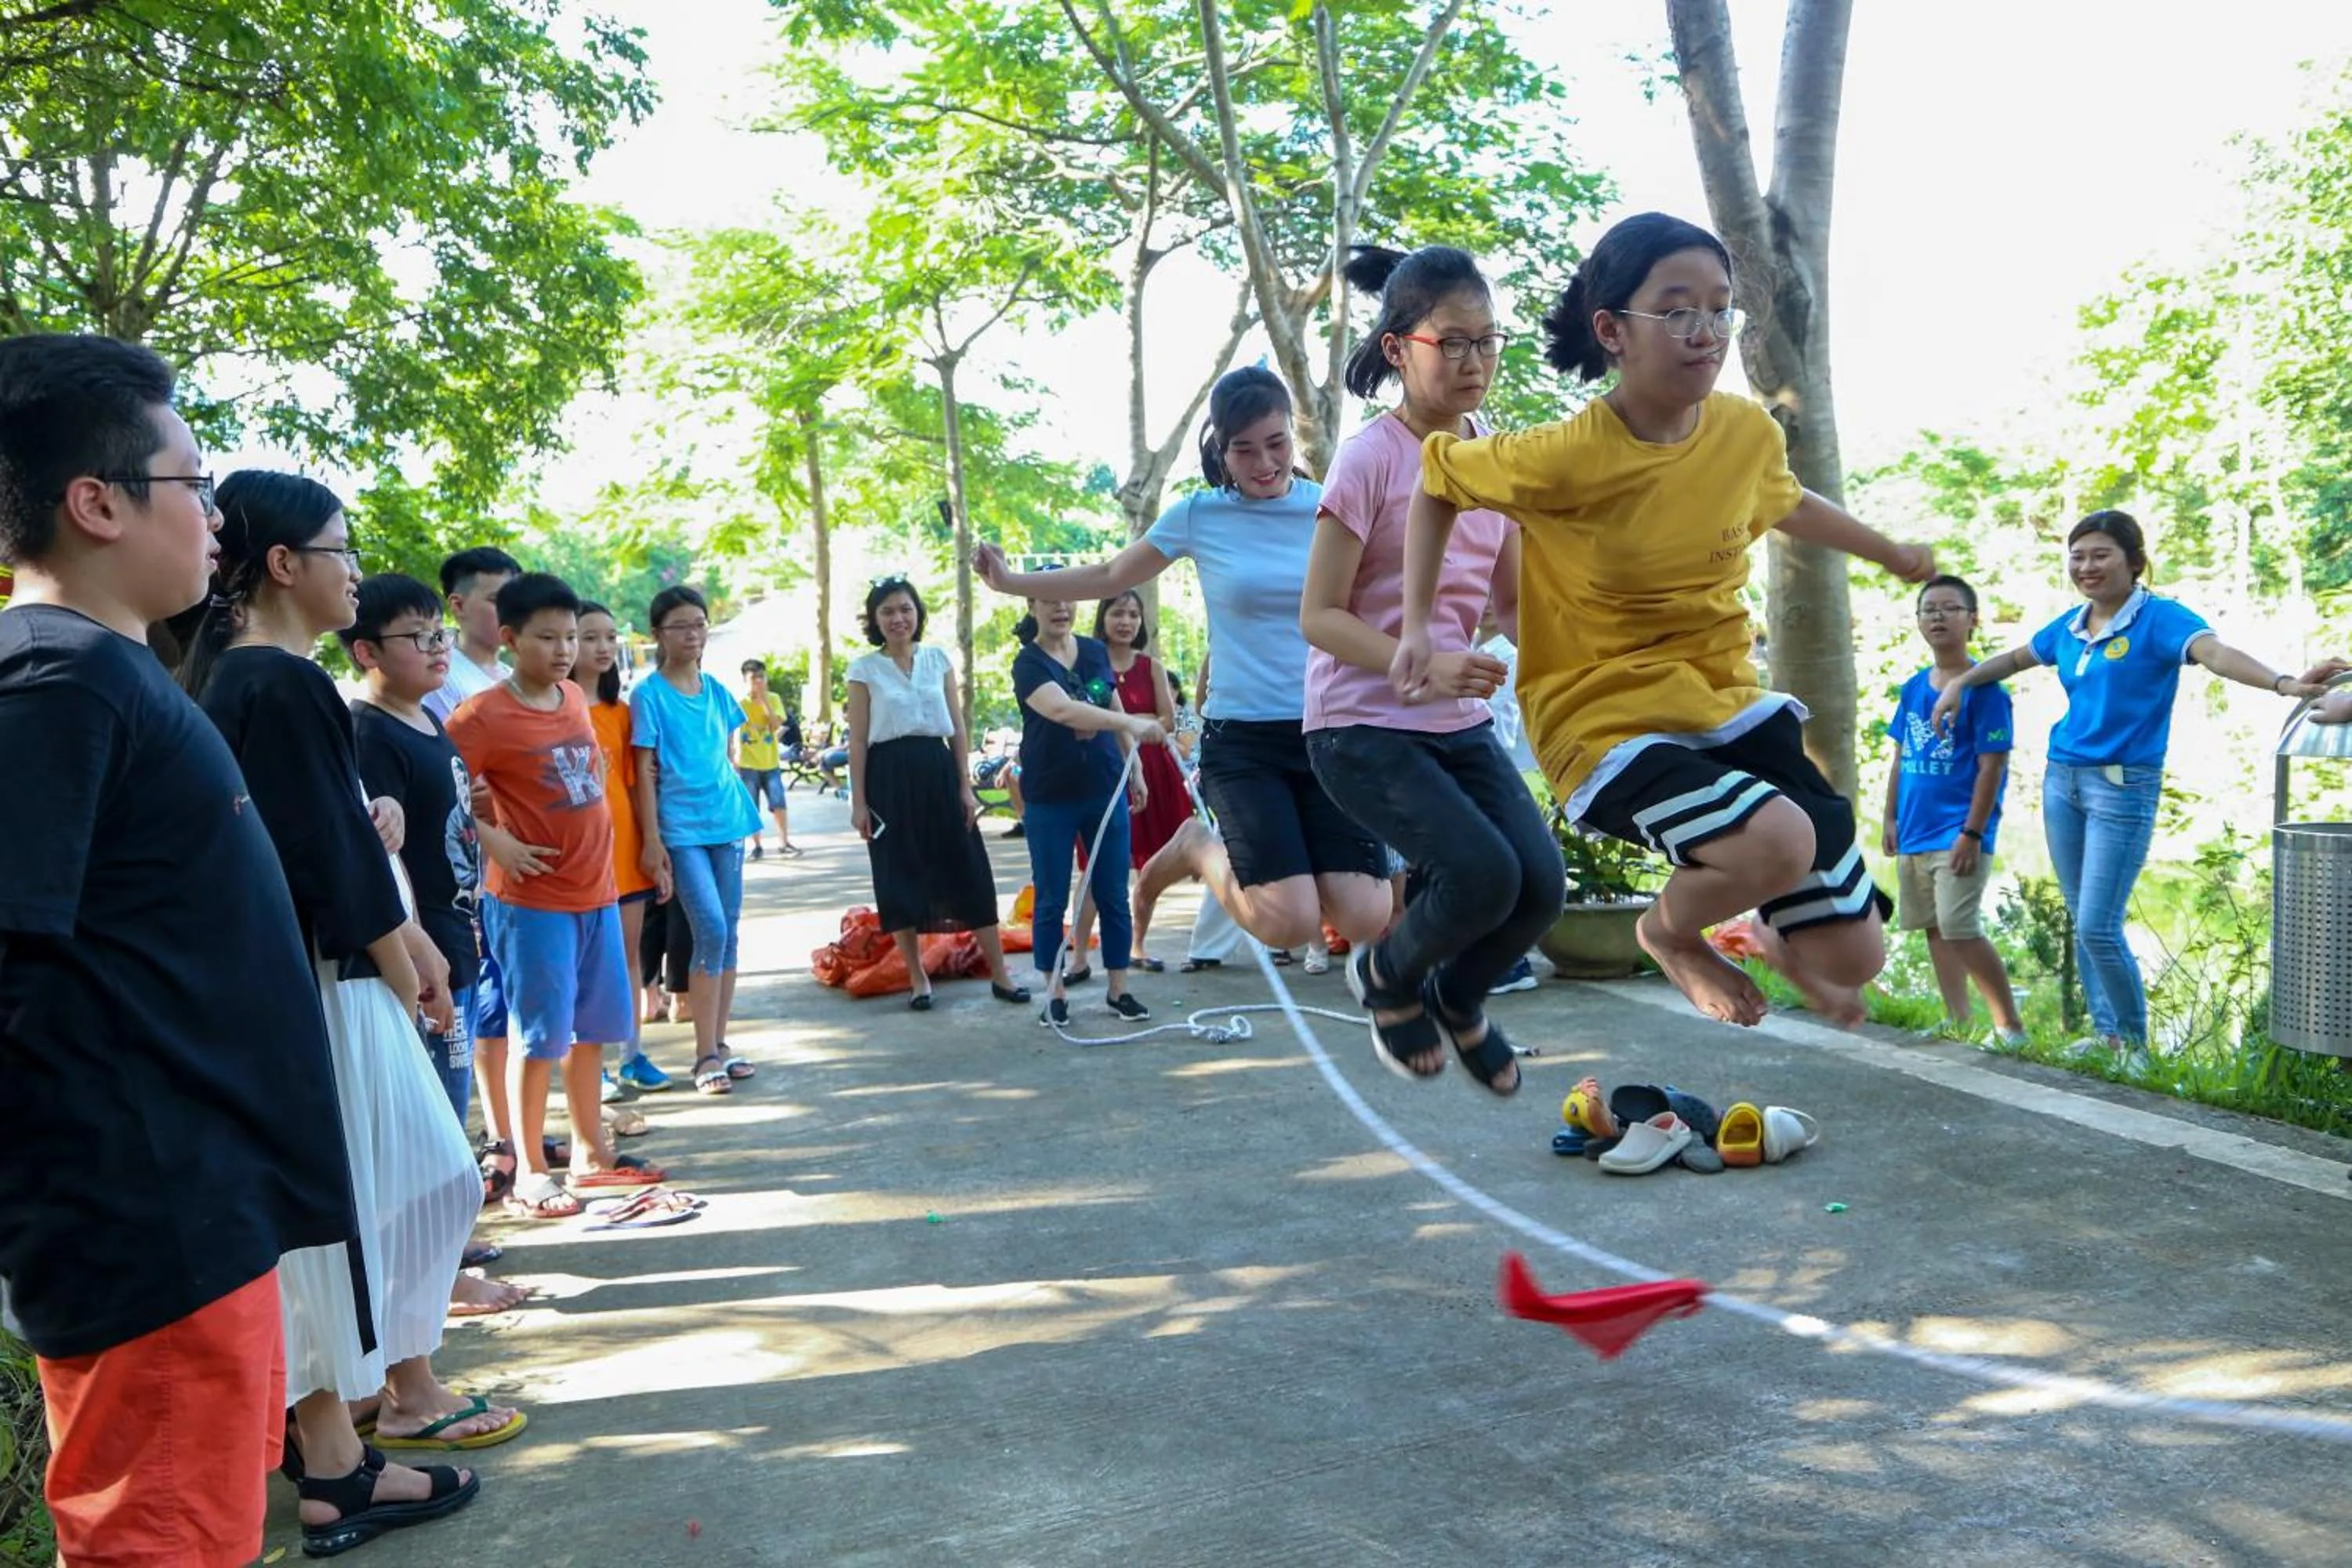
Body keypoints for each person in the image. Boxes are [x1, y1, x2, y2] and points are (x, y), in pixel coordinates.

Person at [0, 333, 379, 1566]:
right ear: (96, 502)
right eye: (193, 481)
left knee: (204, 1532)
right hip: (144, 1220)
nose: (214, 514)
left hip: (202, 1208)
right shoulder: (52, 681)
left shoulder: (115, 672)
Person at [1396, 211, 1938, 1029]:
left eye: (1721, 309)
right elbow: (1438, 483)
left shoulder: (1742, 431)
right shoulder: (1564, 454)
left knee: (1856, 955)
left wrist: (1888, 549)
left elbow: (1785, 502)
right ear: (1612, 330)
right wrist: (1416, 627)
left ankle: (1758, 916)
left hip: (1723, 701)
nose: (1705, 332)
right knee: (1779, 840)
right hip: (1605, 720)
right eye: (1679, 310)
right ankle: (1670, 933)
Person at [173, 468, 506, 1552]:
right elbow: (317, 854)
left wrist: (393, 925)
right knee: (382, 1197)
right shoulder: (279, 681)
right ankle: (344, 1443)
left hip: (302, 974)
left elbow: (320, 836)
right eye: (340, 550)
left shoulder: (240, 677)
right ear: (282, 566)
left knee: (360, 1210)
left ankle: (340, 1439)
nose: (355, 571)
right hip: (323, 982)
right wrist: (400, 952)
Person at [976, 367, 1390, 961]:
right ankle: (1198, 846)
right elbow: (1111, 576)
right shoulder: (1201, 515)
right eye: (1243, 450)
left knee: (1365, 914)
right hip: (1244, 739)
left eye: (1276, 444)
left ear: (1292, 437)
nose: (1264, 463)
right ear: (1220, 451)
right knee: (1289, 923)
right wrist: (1011, 581)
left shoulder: (1330, 507)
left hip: (1330, 730)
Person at [1931, 511, 2343, 1058]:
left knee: (2100, 925)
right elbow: (2014, 658)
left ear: (2133, 561)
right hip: (2063, 783)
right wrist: (1960, 680)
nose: (2086, 566)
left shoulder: (2161, 620)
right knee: (2084, 922)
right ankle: (2107, 1037)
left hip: (2122, 789)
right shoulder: (2072, 626)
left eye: (2100, 554)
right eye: (2077, 556)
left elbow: (2216, 655)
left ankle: (2134, 1046)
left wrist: (2285, 684)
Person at [1300, 243, 1561, 1094]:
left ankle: (1459, 992)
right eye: (1451, 341)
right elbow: (1321, 615)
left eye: (1487, 340)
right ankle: (1387, 976)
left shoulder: (1499, 461)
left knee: (1539, 887)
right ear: (1398, 349)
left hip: (1455, 724)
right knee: (1481, 873)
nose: (1474, 360)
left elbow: (1514, 608)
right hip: (1360, 727)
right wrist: (1428, 662)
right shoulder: (1370, 456)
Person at [340, 573, 529, 1315]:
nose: (435, 648)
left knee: (450, 1119)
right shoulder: (370, 730)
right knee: (430, 1130)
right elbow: (377, 856)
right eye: (417, 638)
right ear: (366, 651)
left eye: (438, 635)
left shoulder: (428, 721)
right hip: (422, 959)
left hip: (459, 935)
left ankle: (446, 1249)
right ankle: (436, 1278)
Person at [448, 573, 663, 1217]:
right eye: (548, 638)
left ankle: (592, 1153)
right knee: (538, 1037)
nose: (564, 649)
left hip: (597, 892)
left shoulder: (573, 697)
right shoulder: (480, 715)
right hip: (529, 903)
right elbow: (441, 793)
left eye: (571, 636)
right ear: (510, 639)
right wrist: (495, 841)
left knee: (593, 1029)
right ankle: (532, 1171)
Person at [844, 575, 1032, 1011]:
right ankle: (917, 978)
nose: (898, 618)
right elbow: (857, 740)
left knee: (969, 869)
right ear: (875, 619)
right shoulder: (863, 670)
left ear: (918, 613)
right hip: (887, 776)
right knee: (898, 877)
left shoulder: (937, 660)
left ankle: (1001, 975)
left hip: (938, 770)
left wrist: (965, 786)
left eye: (905, 609)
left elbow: (958, 727)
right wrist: (858, 803)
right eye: (888, 611)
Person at [1881, 574, 2028, 1047]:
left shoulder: (1987, 693)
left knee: (1960, 927)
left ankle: (2010, 1026)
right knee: (1934, 929)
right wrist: (1890, 818)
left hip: (1958, 832)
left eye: (1950, 609)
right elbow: (1901, 757)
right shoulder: (1913, 689)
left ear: (1973, 620)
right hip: (1915, 830)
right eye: (1929, 610)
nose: (1938, 617)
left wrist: (1972, 832)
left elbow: (1992, 768)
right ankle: (1958, 1019)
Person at [1011, 594, 1167, 1025]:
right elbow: (1063, 710)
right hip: (1049, 795)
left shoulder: (1094, 652)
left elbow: (1110, 706)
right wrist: (1133, 724)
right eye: (1048, 601)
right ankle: (1055, 992)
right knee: (1052, 896)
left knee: (1112, 891)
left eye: (1066, 600)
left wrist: (1133, 765)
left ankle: (1119, 990)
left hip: (1104, 786)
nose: (1060, 608)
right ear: (1032, 606)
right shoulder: (1028, 663)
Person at [632, 585, 762, 1094]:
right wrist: (652, 840)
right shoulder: (648, 694)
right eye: (681, 625)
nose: (693, 634)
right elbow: (643, 771)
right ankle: (704, 1055)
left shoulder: (717, 690)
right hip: (680, 830)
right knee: (708, 927)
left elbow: (728, 748)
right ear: (659, 634)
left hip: (728, 822)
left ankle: (720, 1045)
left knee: (727, 932)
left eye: (700, 624)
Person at [579, 600, 673, 1092]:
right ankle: (593, 1067)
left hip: (628, 851)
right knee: (591, 964)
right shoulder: (558, 706)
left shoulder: (622, 710)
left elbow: (639, 785)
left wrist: (653, 847)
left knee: (629, 956)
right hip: (581, 860)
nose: (602, 647)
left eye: (610, 638)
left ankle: (632, 1055)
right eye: (589, 636)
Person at [1070, 590, 1186, 972]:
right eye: (1118, 613)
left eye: (1134, 615)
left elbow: (1168, 720)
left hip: (1151, 767)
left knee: (1149, 865)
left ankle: (1137, 946)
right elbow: (1087, 709)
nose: (1126, 621)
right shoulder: (1088, 660)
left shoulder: (1150, 665)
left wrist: (1130, 723)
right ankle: (1080, 956)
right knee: (1096, 864)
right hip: (1103, 767)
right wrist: (1133, 721)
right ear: (1103, 617)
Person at [421, 545, 518, 723]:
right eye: (496, 600)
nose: (513, 611)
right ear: (458, 606)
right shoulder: (440, 677)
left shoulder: (516, 676)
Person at [735, 656, 800, 860]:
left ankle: (784, 842)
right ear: (745, 679)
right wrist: (734, 757)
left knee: (779, 803)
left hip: (770, 761)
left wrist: (764, 702)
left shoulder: (773, 698)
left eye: (762, 677)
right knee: (752, 807)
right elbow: (734, 731)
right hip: (747, 762)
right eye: (754, 678)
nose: (759, 682)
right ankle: (756, 845)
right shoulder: (739, 702)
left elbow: (775, 725)